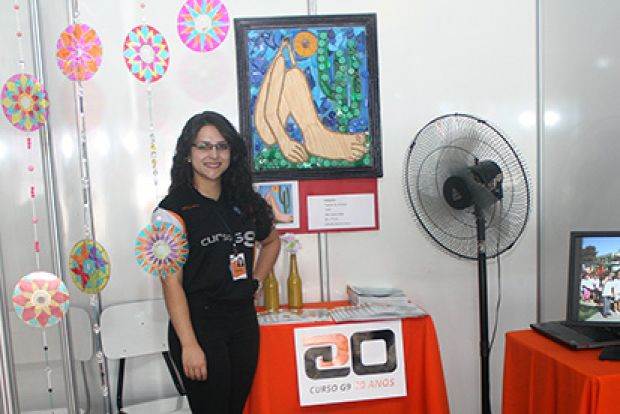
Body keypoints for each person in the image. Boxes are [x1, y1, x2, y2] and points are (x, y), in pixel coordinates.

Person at [156, 111, 280, 413]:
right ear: (188, 153)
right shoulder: (171, 212)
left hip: (242, 323)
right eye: (204, 146)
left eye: (221, 146)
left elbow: (272, 242)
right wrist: (189, 345)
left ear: (231, 153)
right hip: (199, 324)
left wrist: (255, 282)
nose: (213, 154)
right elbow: (170, 283)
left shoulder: (245, 202)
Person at [254, 38, 367, 163]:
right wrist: (284, 141)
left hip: (276, 115)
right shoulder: (281, 61)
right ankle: (314, 134)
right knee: (293, 75)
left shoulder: (288, 60)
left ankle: (315, 132)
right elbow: (270, 113)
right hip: (268, 129)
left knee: (294, 74)